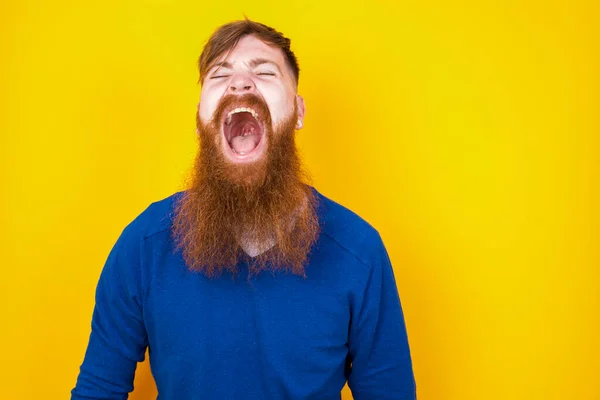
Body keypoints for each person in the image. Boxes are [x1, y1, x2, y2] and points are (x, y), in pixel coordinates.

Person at [72, 18, 416, 400]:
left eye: (264, 72)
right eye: (220, 75)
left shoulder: (359, 251)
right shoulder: (143, 246)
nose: (240, 83)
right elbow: (98, 389)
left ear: (298, 112)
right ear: (201, 117)